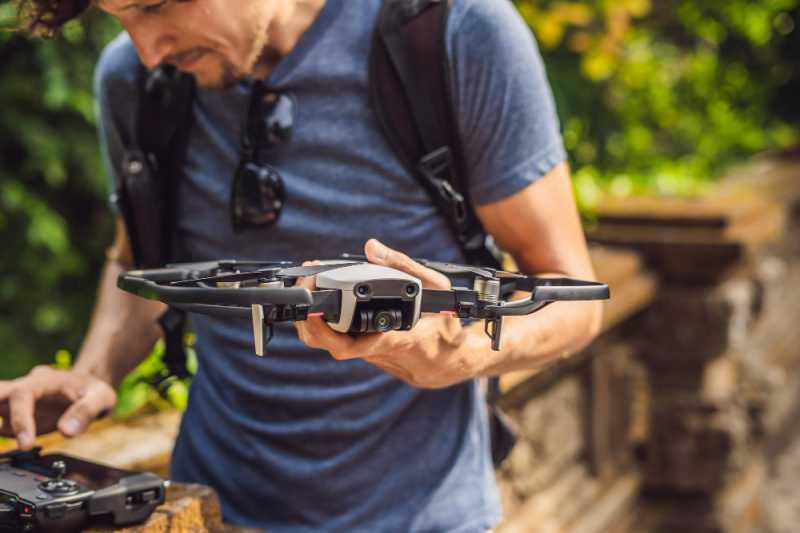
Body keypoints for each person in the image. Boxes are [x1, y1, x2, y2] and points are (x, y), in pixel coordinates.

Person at [0, 0, 603, 531]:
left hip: (423, 516)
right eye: (120, 17)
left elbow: (571, 294)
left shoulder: (453, 32)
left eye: (158, 6)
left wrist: (463, 353)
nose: (148, 49)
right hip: (208, 508)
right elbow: (141, 263)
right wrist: (94, 373)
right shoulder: (136, 82)